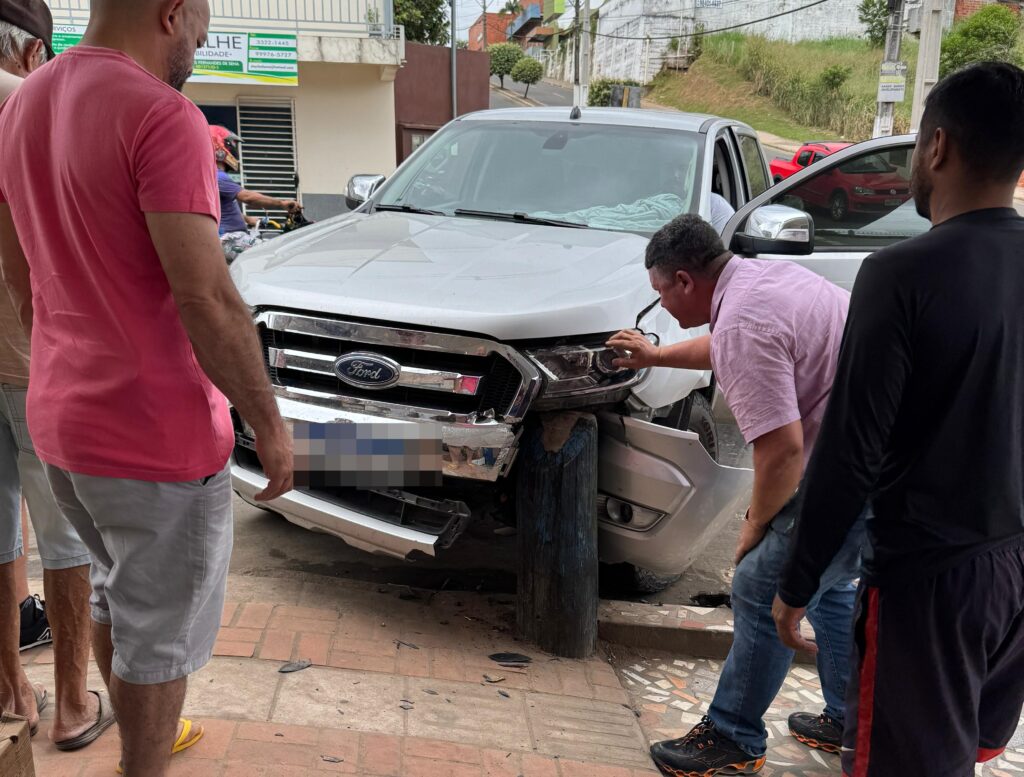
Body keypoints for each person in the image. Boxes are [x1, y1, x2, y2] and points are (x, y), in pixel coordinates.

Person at [0, 0, 293, 774]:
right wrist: (269, 422)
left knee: (113, 592)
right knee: (159, 638)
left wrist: (63, 345)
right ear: (172, 12)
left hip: (62, 420)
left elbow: (20, 269)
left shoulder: (23, 103)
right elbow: (207, 298)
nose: (199, 41)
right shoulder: (163, 115)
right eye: (200, 27)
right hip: (156, 438)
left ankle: (137, 742)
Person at [773, 61, 1024, 777]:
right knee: (961, 748)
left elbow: (850, 451)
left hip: (932, 578)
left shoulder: (901, 273)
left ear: (937, 147)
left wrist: (797, 583)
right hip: (1014, 563)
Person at [609, 214, 865, 776]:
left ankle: (732, 738)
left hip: (857, 472)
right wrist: (655, 356)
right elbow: (726, 345)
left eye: (660, 292)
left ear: (684, 280)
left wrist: (754, 524)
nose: (661, 306)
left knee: (760, 583)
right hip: (881, 453)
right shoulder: (761, 279)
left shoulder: (745, 321)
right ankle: (851, 717)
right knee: (824, 585)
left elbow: (782, 451)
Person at [0, 0, 114, 751]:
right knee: (66, 533)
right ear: (34, 51)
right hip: (30, 357)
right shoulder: (34, 107)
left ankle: (10, 688)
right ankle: (73, 702)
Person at [211, 125, 299, 262]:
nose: (234, 150)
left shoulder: (212, 176)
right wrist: (282, 203)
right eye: (230, 145)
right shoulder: (218, 177)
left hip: (230, 238)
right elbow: (248, 197)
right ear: (219, 147)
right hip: (230, 240)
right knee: (275, 254)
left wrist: (247, 219)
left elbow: (220, 210)